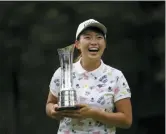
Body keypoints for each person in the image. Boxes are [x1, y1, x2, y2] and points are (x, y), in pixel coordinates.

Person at [46, 19, 132, 134]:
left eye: (99, 37)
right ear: (77, 44)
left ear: (105, 44)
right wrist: (53, 111)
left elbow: (126, 120)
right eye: (87, 37)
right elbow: (50, 103)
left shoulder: (116, 76)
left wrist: (94, 114)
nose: (94, 42)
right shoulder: (62, 72)